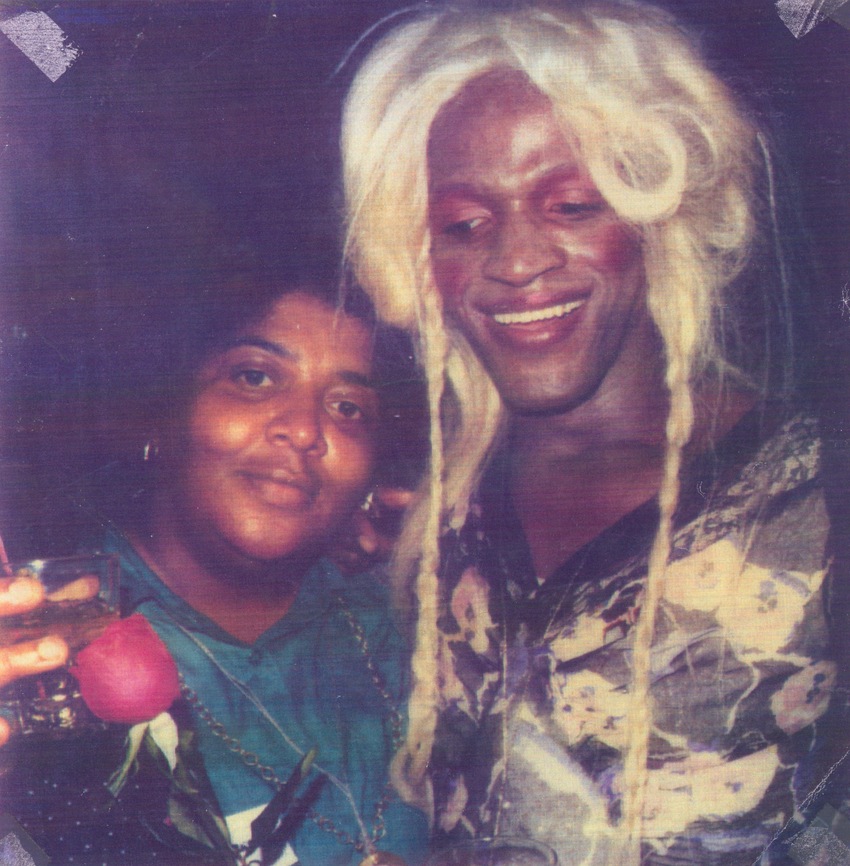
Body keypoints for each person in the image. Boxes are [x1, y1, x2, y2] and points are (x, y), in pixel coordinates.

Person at [341, 1, 844, 863]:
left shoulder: (812, 492)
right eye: (464, 224)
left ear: (657, 211)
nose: (518, 259)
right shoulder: (432, 518)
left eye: (572, 204)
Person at [0, 259, 429, 866]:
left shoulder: (420, 622)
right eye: (255, 378)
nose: (305, 430)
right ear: (160, 407)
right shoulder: (41, 632)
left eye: (348, 407)